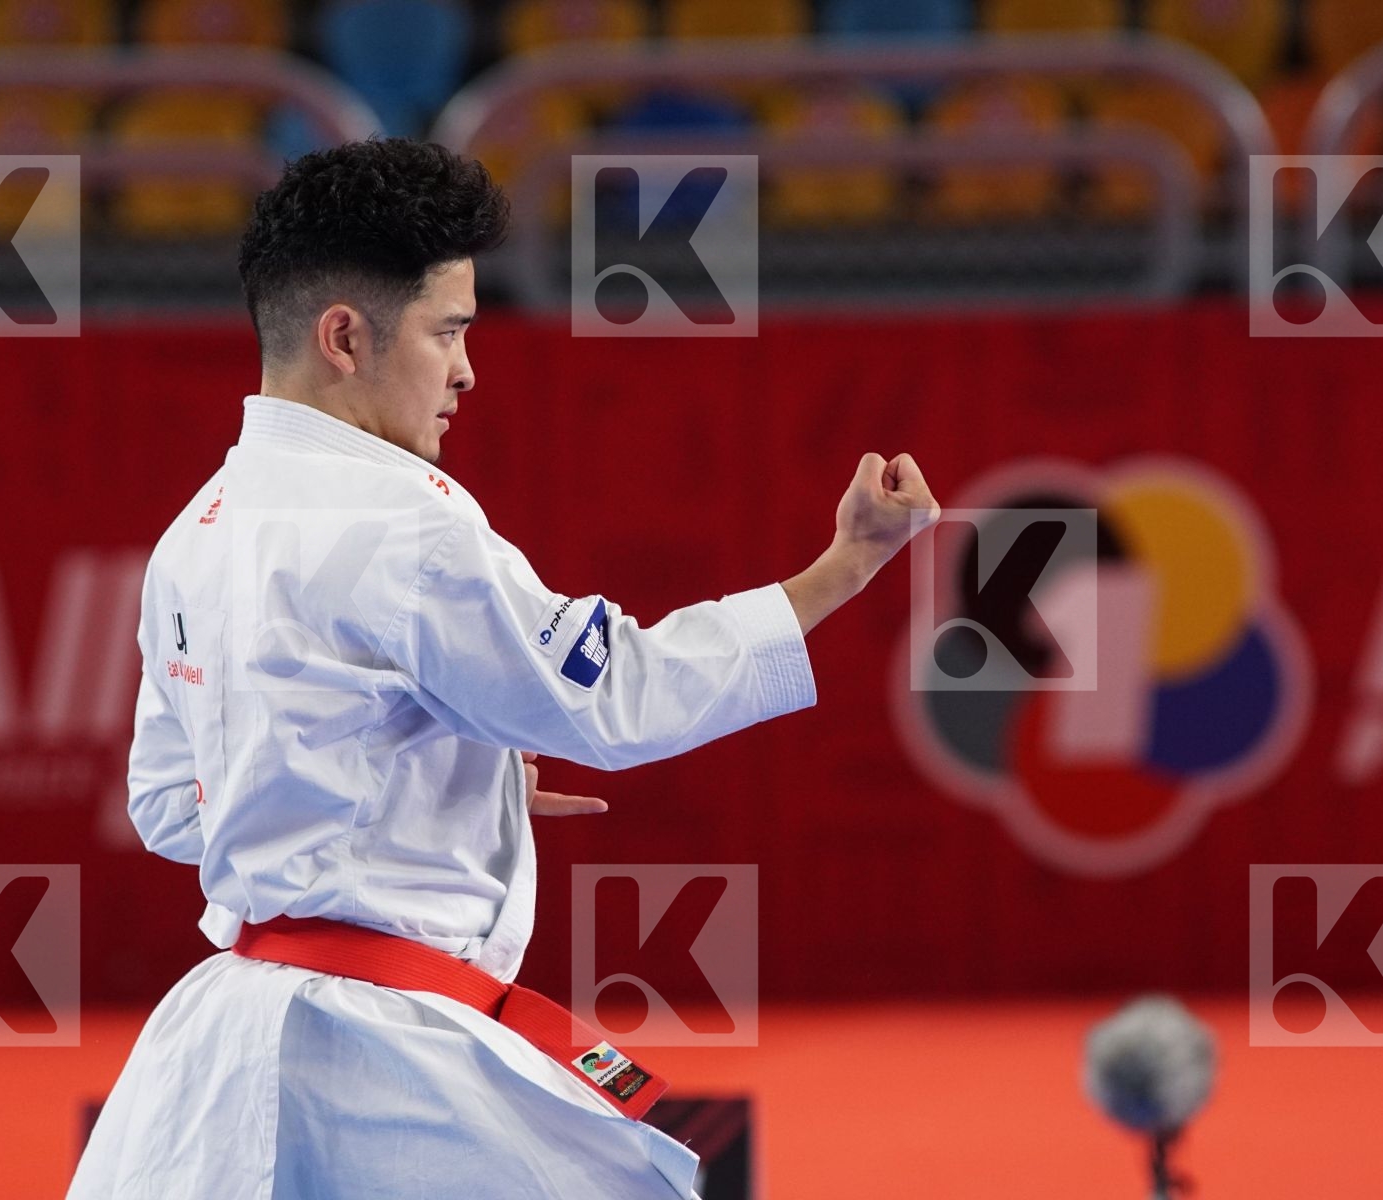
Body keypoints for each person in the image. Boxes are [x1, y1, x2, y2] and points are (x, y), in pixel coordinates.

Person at [68, 137, 939, 1200]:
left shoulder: (194, 532)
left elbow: (171, 807)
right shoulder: (404, 520)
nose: (467, 371)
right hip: (387, 1059)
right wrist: (845, 569)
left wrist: (402, 786)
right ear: (344, 337)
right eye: (447, 331)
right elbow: (616, 700)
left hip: (221, 1050)